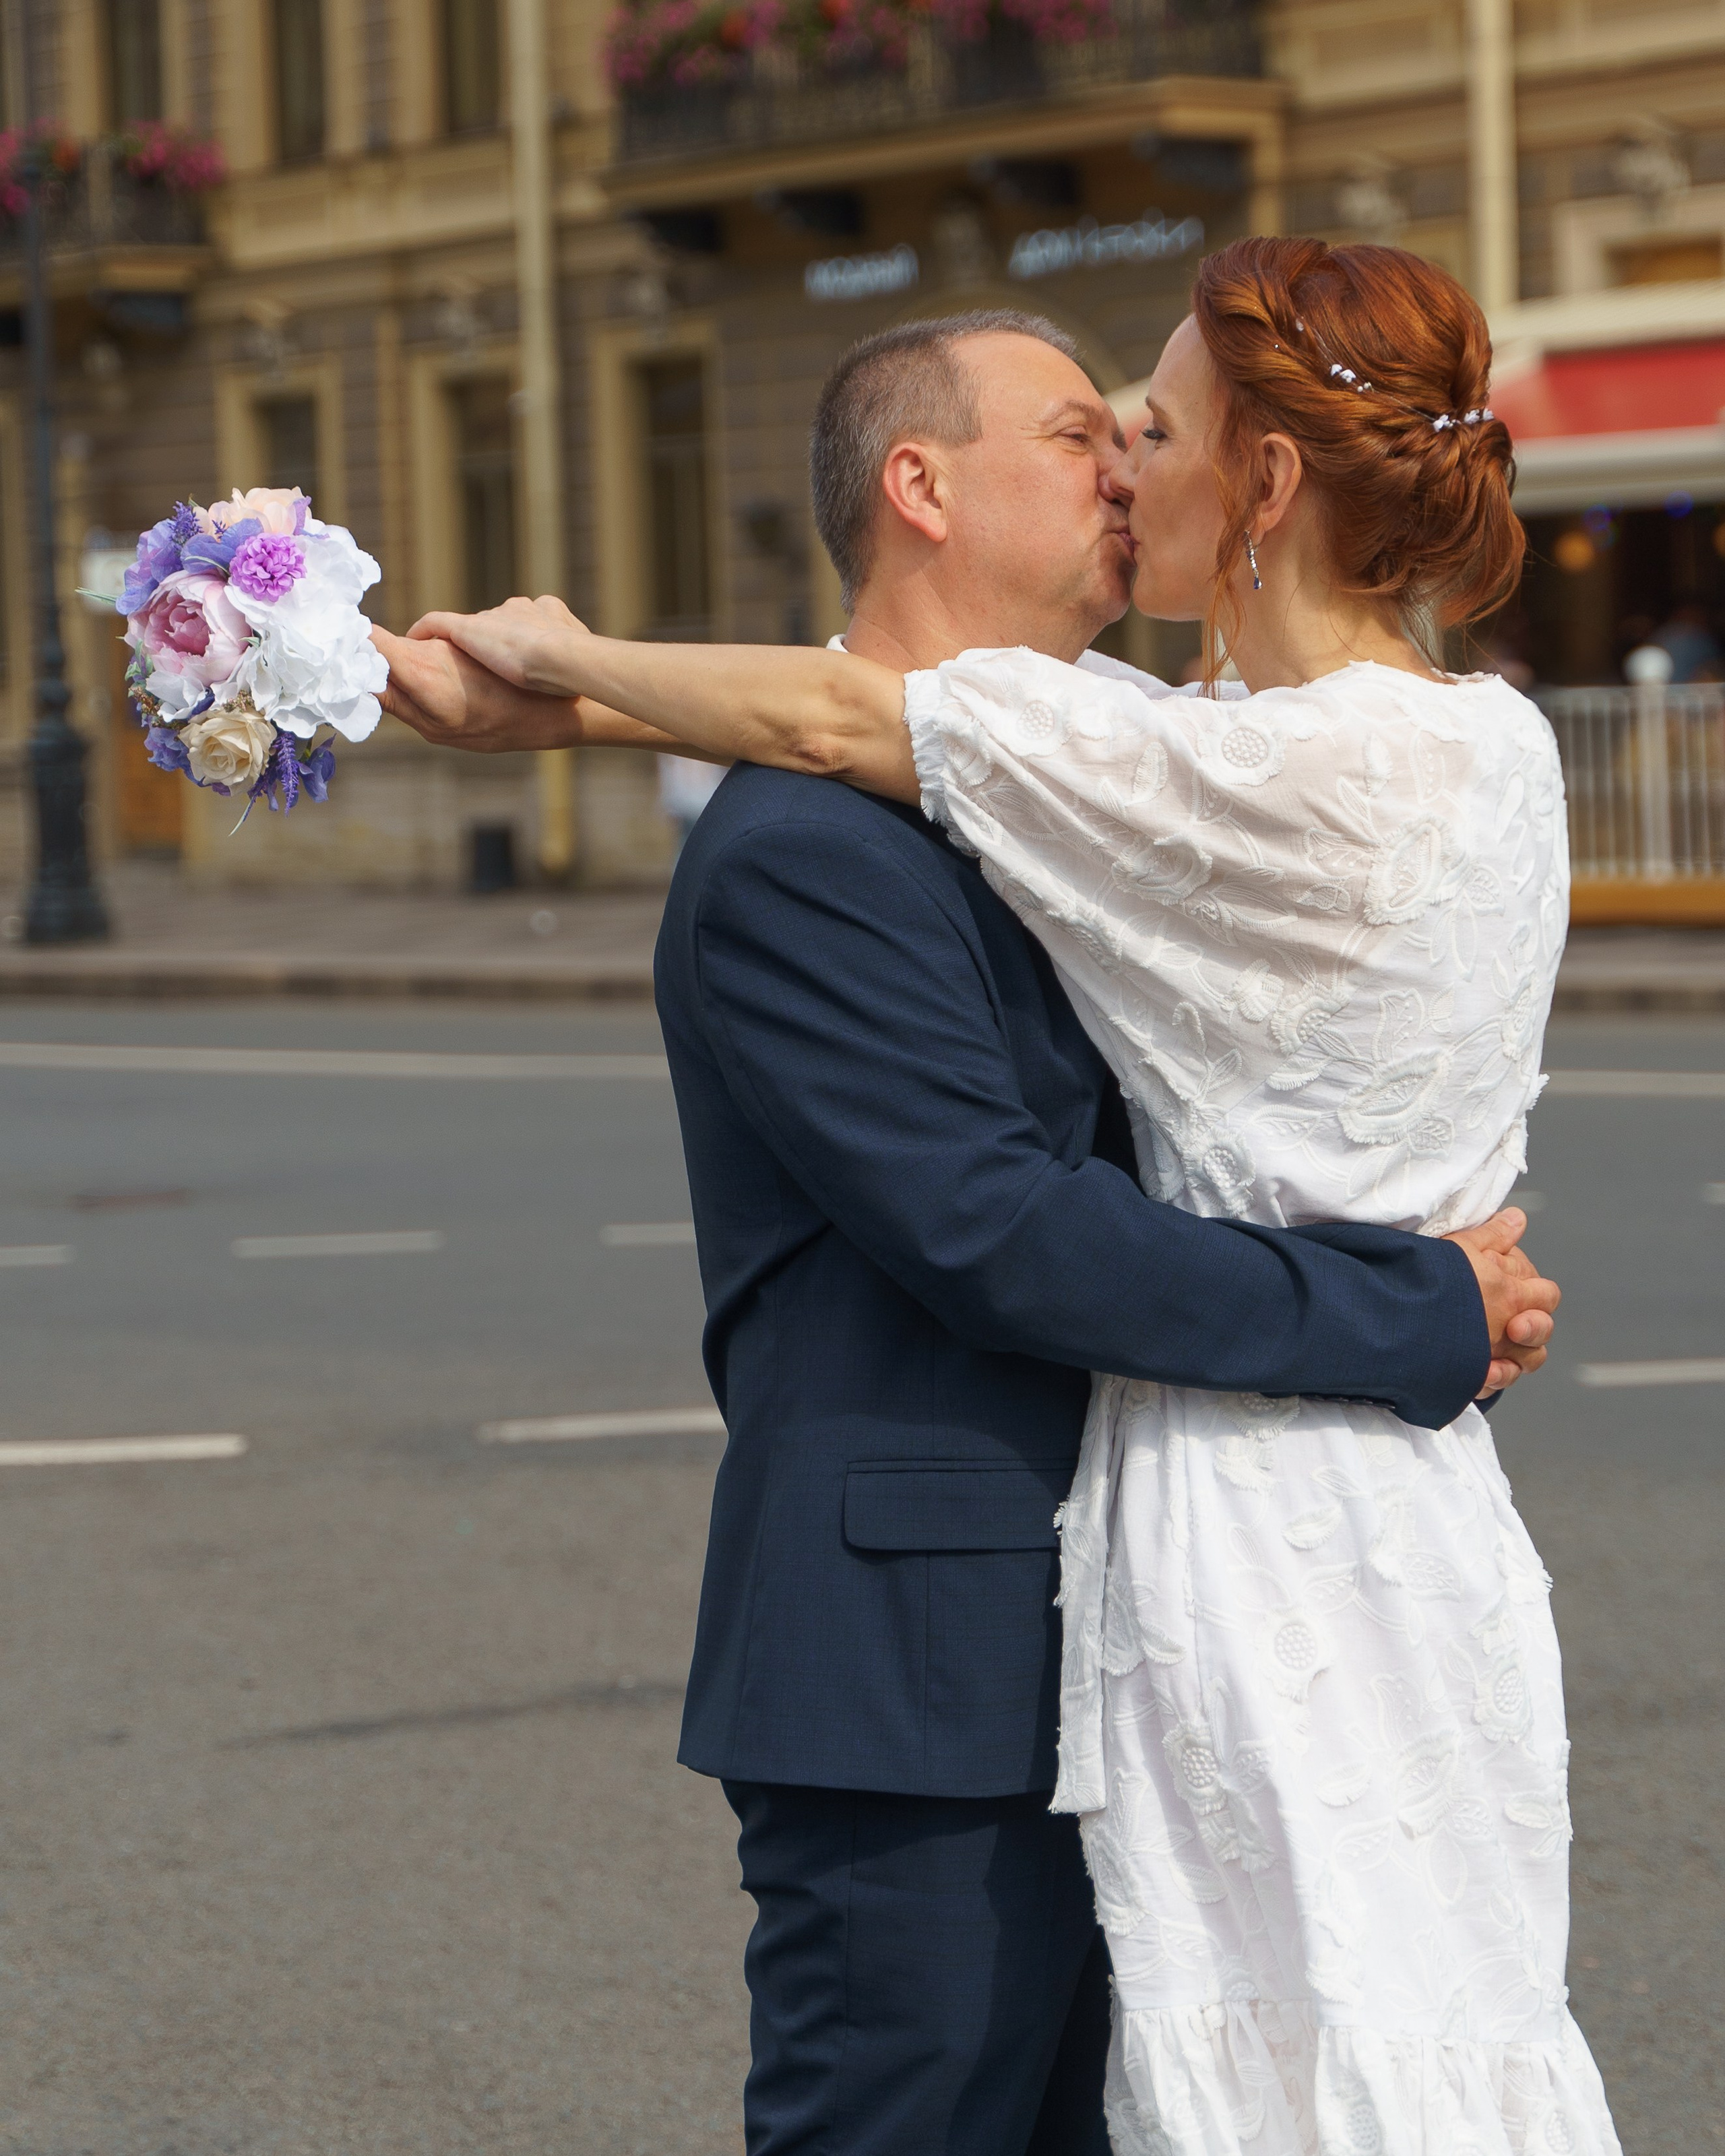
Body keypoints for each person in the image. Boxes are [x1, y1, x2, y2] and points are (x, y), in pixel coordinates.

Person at [376, 284, 1569, 2155]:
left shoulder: (1138, 766)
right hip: (927, 1679)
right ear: (920, 488)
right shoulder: (802, 855)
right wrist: (1416, 1311)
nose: (1118, 467)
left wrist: (582, 693)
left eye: (1140, 432)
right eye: (1082, 434)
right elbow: (1002, 1232)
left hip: (1180, 1614)